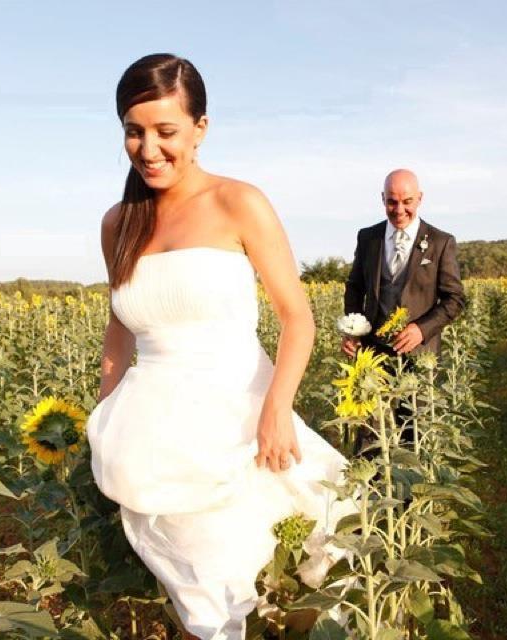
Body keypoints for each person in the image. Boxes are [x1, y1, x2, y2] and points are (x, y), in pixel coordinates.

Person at [85, 54, 351, 640]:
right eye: (134, 131)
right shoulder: (118, 222)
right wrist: (103, 417)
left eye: (166, 131)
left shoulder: (239, 203)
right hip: (152, 432)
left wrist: (277, 411)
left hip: (240, 423)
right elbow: (120, 327)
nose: (148, 148)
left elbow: (296, 318)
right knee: (200, 604)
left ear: (201, 129)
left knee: (291, 589)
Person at [341, 170, 466, 452]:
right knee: (371, 432)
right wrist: (353, 330)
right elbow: (355, 287)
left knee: (415, 434)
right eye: (392, 202)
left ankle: (411, 497)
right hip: (373, 353)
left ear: (420, 199)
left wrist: (421, 329)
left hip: (419, 357)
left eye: (407, 201)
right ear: (382, 199)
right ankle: (368, 494)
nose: (400, 210)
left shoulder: (439, 241)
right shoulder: (368, 238)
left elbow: (454, 299)